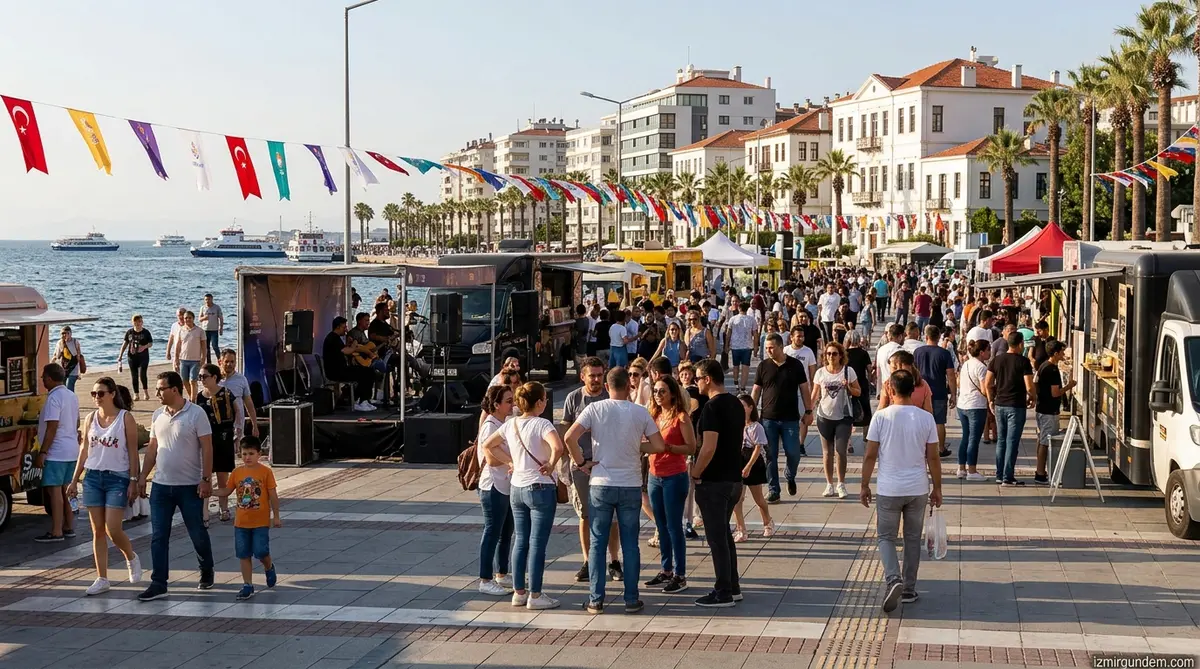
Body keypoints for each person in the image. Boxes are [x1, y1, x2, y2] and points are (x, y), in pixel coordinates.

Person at [565, 367, 667, 614]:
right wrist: (635, 446)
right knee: (630, 544)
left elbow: (569, 437)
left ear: (607, 386)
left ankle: (596, 599)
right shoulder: (640, 412)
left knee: (597, 543)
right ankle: (631, 598)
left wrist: (581, 462)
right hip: (630, 483)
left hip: (601, 482)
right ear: (629, 386)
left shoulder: (595, 409)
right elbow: (658, 445)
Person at [860, 369, 943, 612]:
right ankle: (908, 589)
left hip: (889, 488)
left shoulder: (880, 417)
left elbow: (870, 455)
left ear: (890, 389)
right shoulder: (926, 418)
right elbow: (933, 457)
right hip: (917, 488)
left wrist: (864, 485)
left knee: (886, 537)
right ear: (913, 389)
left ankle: (893, 578)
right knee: (912, 538)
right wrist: (937, 488)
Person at [479, 382, 565, 611]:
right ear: (539, 402)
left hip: (517, 487)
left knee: (520, 540)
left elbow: (488, 445)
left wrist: (511, 462)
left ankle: (519, 592)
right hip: (540, 487)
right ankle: (535, 594)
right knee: (537, 543)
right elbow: (558, 447)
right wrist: (551, 464)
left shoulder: (511, 424)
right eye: (545, 399)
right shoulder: (542, 423)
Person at [137, 371, 216, 601]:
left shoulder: (196, 413)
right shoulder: (157, 415)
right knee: (159, 536)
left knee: (197, 532)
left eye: (161, 388)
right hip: (161, 486)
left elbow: (207, 448)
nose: (157, 393)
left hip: (190, 486)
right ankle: (158, 582)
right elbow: (152, 449)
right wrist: (143, 476)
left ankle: (206, 569)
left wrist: (206, 479)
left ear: (174, 389)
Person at [67, 377, 142, 594]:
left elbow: (133, 452)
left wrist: (134, 480)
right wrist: (74, 479)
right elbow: (84, 450)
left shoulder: (125, 418)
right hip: (92, 477)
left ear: (112, 394)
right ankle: (102, 578)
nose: (96, 397)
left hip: (117, 477)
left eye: (100, 393)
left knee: (113, 528)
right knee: (97, 530)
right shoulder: (90, 418)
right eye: (93, 394)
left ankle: (130, 556)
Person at [559, 358, 621, 585]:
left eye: (599, 375)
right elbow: (566, 431)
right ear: (582, 376)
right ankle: (588, 561)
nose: (595, 379)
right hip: (580, 467)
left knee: (612, 516)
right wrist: (571, 462)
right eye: (591, 375)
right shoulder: (573, 398)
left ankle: (614, 561)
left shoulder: (610, 396)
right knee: (585, 515)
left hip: (607, 465)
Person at [691, 360, 745, 608]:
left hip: (714, 481)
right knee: (724, 534)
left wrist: (695, 472)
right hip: (734, 479)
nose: (696, 383)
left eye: (698, 378)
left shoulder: (712, 407)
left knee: (716, 538)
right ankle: (733, 587)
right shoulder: (736, 403)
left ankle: (723, 592)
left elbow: (709, 447)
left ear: (708, 379)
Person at [644, 375, 696, 594]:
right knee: (661, 525)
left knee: (674, 526)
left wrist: (669, 448)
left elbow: (691, 447)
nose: (658, 395)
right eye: (655, 391)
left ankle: (680, 574)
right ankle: (666, 570)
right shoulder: (654, 415)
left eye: (662, 391)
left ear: (673, 393)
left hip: (674, 476)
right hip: (654, 475)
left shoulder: (681, 417)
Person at [212, 436, 280, 601]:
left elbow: (272, 495)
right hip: (241, 523)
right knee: (244, 554)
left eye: (251, 453)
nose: (247, 457)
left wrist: (276, 516)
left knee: (261, 551)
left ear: (259, 454)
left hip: (261, 522)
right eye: (244, 454)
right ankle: (247, 584)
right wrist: (211, 492)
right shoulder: (237, 472)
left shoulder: (265, 472)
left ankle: (268, 566)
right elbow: (227, 490)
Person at [752, 333, 813, 503]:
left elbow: (804, 389)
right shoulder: (763, 366)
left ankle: (790, 474)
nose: (768, 351)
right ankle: (774, 489)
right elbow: (756, 390)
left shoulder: (795, 365)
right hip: (768, 418)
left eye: (771, 347)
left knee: (793, 452)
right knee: (770, 455)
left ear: (781, 346)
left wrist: (809, 411)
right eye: (766, 348)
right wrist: (750, 413)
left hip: (790, 419)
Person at [33, 364, 81, 543]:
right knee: (65, 490)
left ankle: (56, 531)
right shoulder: (71, 395)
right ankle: (69, 526)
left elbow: (52, 427)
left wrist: (43, 451)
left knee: (54, 492)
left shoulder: (53, 398)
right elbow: (77, 422)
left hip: (56, 451)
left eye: (43, 377)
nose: (42, 380)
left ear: (50, 378)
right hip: (71, 449)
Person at [476, 385, 515, 596]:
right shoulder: (490, 426)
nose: (512, 404)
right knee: (492, 531)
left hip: (505, 484)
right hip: (492, 485)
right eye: (508, 401)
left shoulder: (503, 423)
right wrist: (513, 460)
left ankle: (502, 572)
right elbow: (490, 458)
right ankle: (485, 579)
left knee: (506, 530)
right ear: (496, 404)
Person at [984, 331, 1035, 487]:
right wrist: (1033, 397)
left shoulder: (996, 360)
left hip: (1000, 404)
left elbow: (988, 383)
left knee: (1001, 441)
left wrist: (990, 400)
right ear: (1020, 344)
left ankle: (1000, 475)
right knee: (1012, 442)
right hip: (1016, 405)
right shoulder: (1024, 362)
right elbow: (1029, 386)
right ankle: (1008, 476)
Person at [811, 341, 861, 499]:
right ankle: (829, 484)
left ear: (840, 356)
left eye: (834, 353)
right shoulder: (820, 373)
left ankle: (841, 483)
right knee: (827, 452)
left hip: (843, 416)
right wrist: (808, 411)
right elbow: (815, 394)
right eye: (828, 354)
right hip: (824, 415)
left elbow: (858, 391)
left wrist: (848, 387)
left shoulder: (848, 371)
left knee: (841, 451)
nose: (831, 356)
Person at [196, 363, 243, 524]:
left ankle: (224, 508)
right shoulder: (200, 397)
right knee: (206, 476)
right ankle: (205, 512)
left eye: (204, 376)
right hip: (205, 440)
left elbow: (238, 411)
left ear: (214, 377)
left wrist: (238, 433)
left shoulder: (226, 393)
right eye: (200, 377)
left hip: (223, 439)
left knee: (223, 477)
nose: (202, 380)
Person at [732, 393, 773, 541]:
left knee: (758, 498)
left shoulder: (756, 427)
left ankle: (767, 522)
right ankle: (741, 529)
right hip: (738, 461)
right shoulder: (735, 425)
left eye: (743, 406)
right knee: (737, 498)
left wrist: (749, 466)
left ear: (750, 408)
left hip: (753, 463)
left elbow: (757, 448)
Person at [1034, 341, 1075, 485]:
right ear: (1056, 353)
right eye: (1062, 352)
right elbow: (1055, 393)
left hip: (1041, 408)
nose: (1064, 354)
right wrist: (1069, 386)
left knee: (1042, 439)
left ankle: (1041, 471)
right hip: (1049, 410)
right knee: (1046, 442)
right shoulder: (1052, 370)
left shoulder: (1043, 366)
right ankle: (1040, 473)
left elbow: (1036, 383)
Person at [913, 326, 958, 459]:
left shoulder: (917, 352)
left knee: (920, 421)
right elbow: (951, 375)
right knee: (939, 421)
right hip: (939, 391)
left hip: (920, 390)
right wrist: (953, 394)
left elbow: (913, 372)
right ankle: (941, 448)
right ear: (939, 337)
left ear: (926, 336)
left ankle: (920, 447)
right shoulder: (944, 353)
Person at [322, 317, 377, 412]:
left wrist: (349, 344)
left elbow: (342, 350)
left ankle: (361, 399)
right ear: (338, 327)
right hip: (336, 372)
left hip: (341, 369)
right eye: (344, 327)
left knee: (367, 371)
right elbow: (346, 351)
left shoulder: (335, 338)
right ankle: (361, 400)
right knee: (367, 373)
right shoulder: (332, 338)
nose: (346, 329)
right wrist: (354, 344)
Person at [956, 339, 990, 480]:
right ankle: (972, 471)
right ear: (981, 352)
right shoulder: (981, 367)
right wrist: (991, 397)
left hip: (962, 404)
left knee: (966, 437)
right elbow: (984, 389)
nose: (990, 352)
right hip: (976, 405)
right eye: (988, 350)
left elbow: (958, 383)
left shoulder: (966, 364)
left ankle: (961, 468)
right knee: (974, 439)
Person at [218, 349, 260, 439]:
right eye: (226, 361)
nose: (229, 364)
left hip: (237, 426)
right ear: (220, 362)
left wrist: (255, 425)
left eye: (232, 362)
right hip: (218, 426)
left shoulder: (241, 379)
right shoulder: (215, 380)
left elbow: (249, 404)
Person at [118, 314, 153, 401]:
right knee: (134, 375)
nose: (138, 323)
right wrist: (120, 355)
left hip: (143, 357)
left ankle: (145, 392)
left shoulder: (146, 332)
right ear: (133, 322)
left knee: (142, 374)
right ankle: (136, 394)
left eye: (139, 321)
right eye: (135, 321)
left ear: (142, 322)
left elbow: (150, 343)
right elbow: (125, 344)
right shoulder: (129, 332)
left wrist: (144, 347)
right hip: (132, 357)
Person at [724, 301, 757, 393]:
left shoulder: (733, 319)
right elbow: (755, 334)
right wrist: (755, 347)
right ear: (747, 309)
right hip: (747, 346)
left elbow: (728, 333)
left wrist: (726, 345)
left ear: (739, 308)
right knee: (745, 367)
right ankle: (743, 387)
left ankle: (736, 385)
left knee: (735, 366)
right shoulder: (752, 320)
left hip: (735, 346)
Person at [173, 311, 205, 400]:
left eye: (189, 318)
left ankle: (193, 400)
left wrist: (203, 358)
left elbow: (203, 346)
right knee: (184, 381)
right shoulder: (181, 330)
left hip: (195, 360)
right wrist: (176, 359)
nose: (188, 320)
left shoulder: (200, 331)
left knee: (193, 381)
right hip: (183, 360)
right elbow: (178, 346)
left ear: (193, 318)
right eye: (186, 318)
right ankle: (193, 397)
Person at [52, 326, 85, 392]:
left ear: (70, 334)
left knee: (70, 387)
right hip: (63, 368)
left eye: (67, 333)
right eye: (63, 333)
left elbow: (78, 356)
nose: (65, 335)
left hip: (73, 368)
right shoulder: (59, 343)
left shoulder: (75, 342)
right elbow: (57, 356)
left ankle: (70, 398)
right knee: (62, 388)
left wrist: (79, 372)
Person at [876, 324, 905, 392]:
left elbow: (878, 373)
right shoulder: (901, 351)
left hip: (884, 388)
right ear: (900, 336)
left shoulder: (881, 350)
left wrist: (878, 391)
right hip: (898, 389)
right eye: (904, 336)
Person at [199, 293, 224, 364]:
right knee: (206, 347)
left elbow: (221, 318)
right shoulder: (203, 308)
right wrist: (204, 318)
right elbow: (199, 319)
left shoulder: (216, 307)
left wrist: (221, 328)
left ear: (212, 299)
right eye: (206, 299)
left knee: (215, 346)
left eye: (209, 299)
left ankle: (220, 360)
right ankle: (209, 362)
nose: (207, 301)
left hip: (214, 330)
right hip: (205, 330)